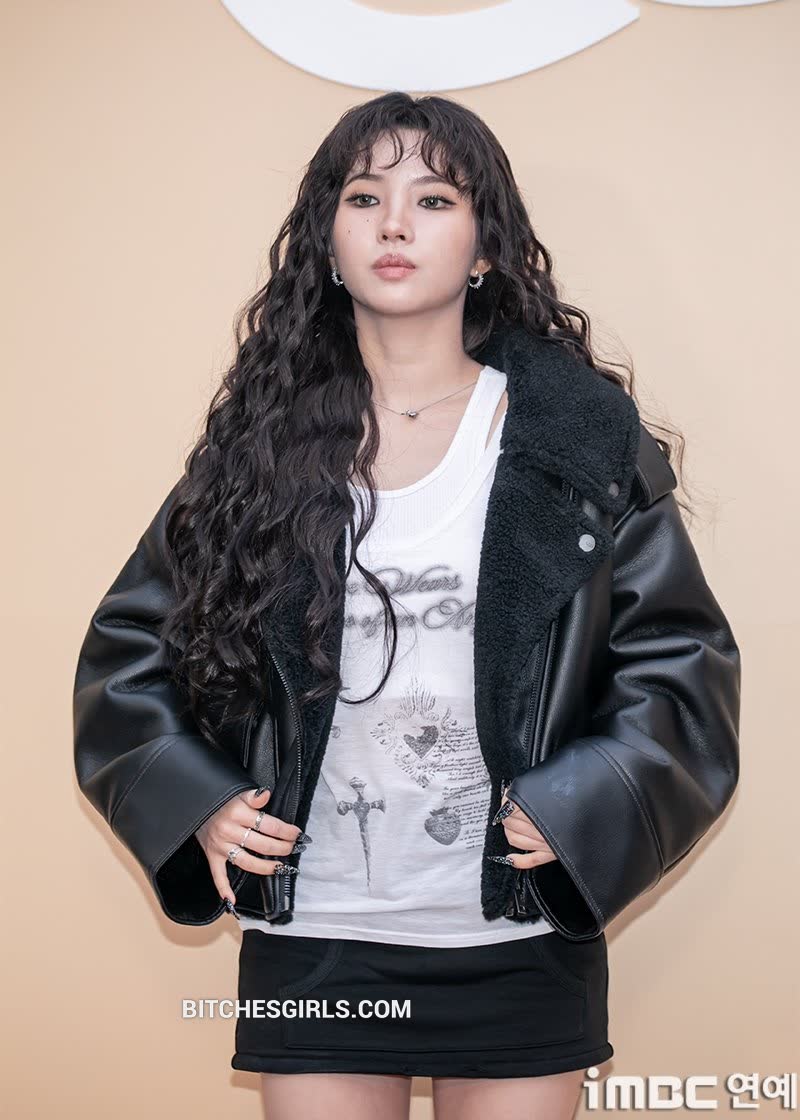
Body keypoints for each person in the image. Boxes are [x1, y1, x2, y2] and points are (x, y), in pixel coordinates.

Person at [73, 92, 741, 1120]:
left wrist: (584, 808)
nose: (394, 223)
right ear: (327, 244)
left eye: (433, 198)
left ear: (484, 247)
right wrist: (195, 800)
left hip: (519, 933)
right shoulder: (260, 449)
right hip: (315, 936)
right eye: (363, 197)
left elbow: (681, 662)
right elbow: (127, 652)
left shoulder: (577, 438)